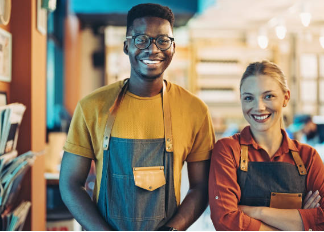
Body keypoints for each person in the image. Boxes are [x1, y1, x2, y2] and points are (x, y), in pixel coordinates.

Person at [59, 3, 215, 231]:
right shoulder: (91, 107)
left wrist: (172, 229)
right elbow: (70, 183)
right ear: (126, 46)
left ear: (173, 47)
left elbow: (201, 187)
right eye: (141, 39)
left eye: (163, 40)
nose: (153, 49)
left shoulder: (195, 110)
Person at [209, 60, 324, 230]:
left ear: (286, 98)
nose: (259, 107)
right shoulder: (228, 150)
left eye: (268, 96)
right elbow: (225, 221)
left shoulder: (308, 156)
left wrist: (258, 212)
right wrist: (299, 221)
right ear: (241, 100)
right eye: (249, 98)